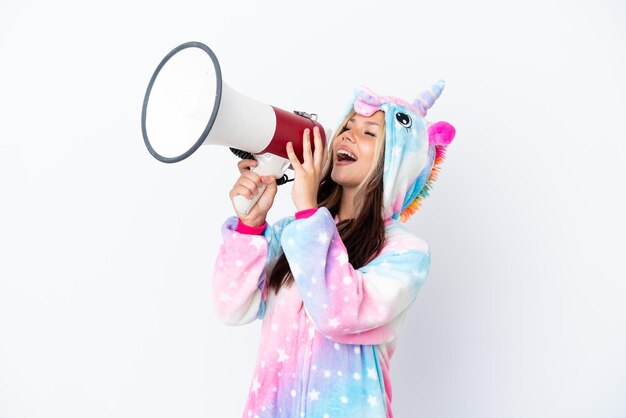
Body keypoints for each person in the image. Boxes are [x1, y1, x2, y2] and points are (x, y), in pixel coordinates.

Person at [212, 81, 456, 418]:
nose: (346, 136)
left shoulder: (405, 253)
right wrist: (251, 225)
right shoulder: (292, 234)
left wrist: (310, 212)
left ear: (397, 162)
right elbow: (231, 307)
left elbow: (337, 314)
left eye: (369, 133)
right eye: (346, 127)